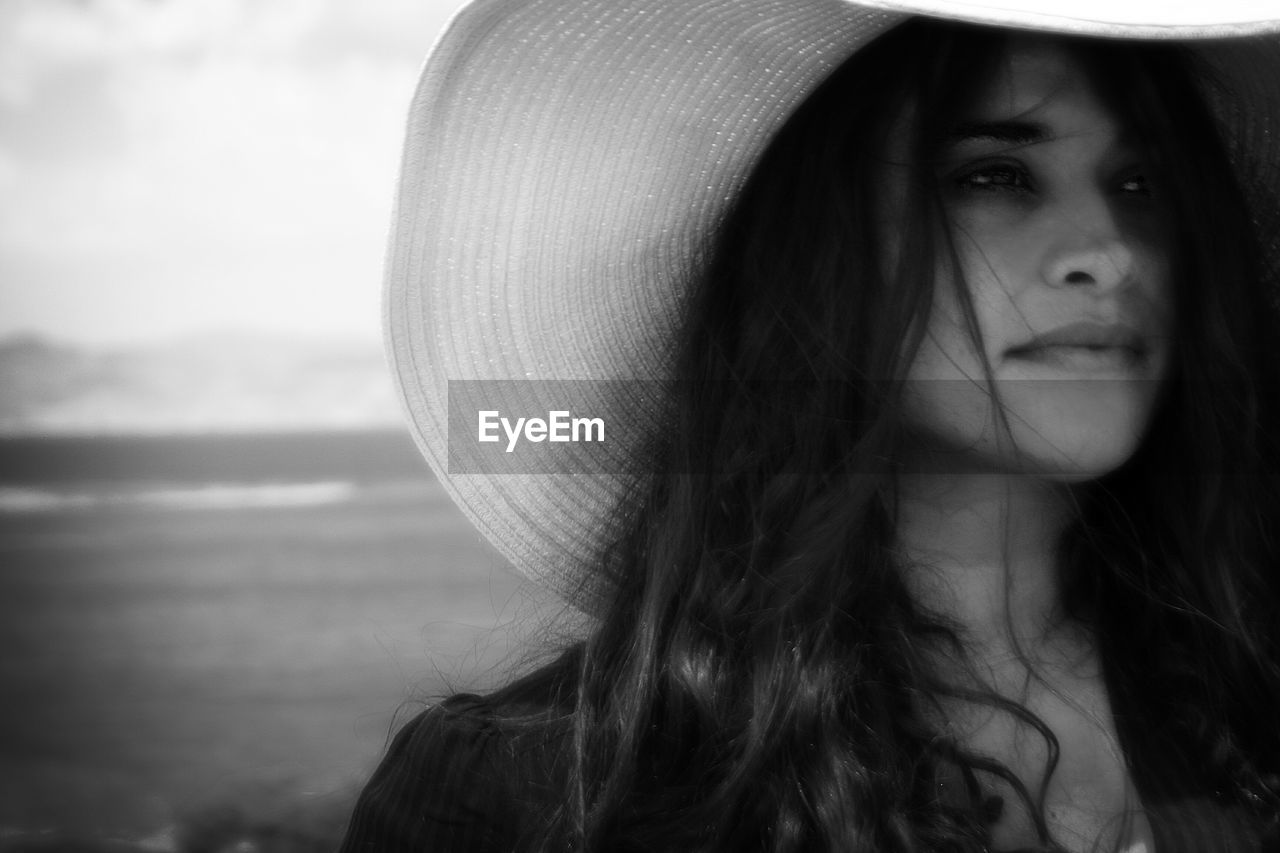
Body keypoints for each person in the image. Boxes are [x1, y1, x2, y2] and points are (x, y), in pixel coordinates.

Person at [341, 1, 1280, 850]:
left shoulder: (1256, 696)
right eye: (996, 174)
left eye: (1142, 182)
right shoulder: (533, 797)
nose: (1110, 255)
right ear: (816, 249)